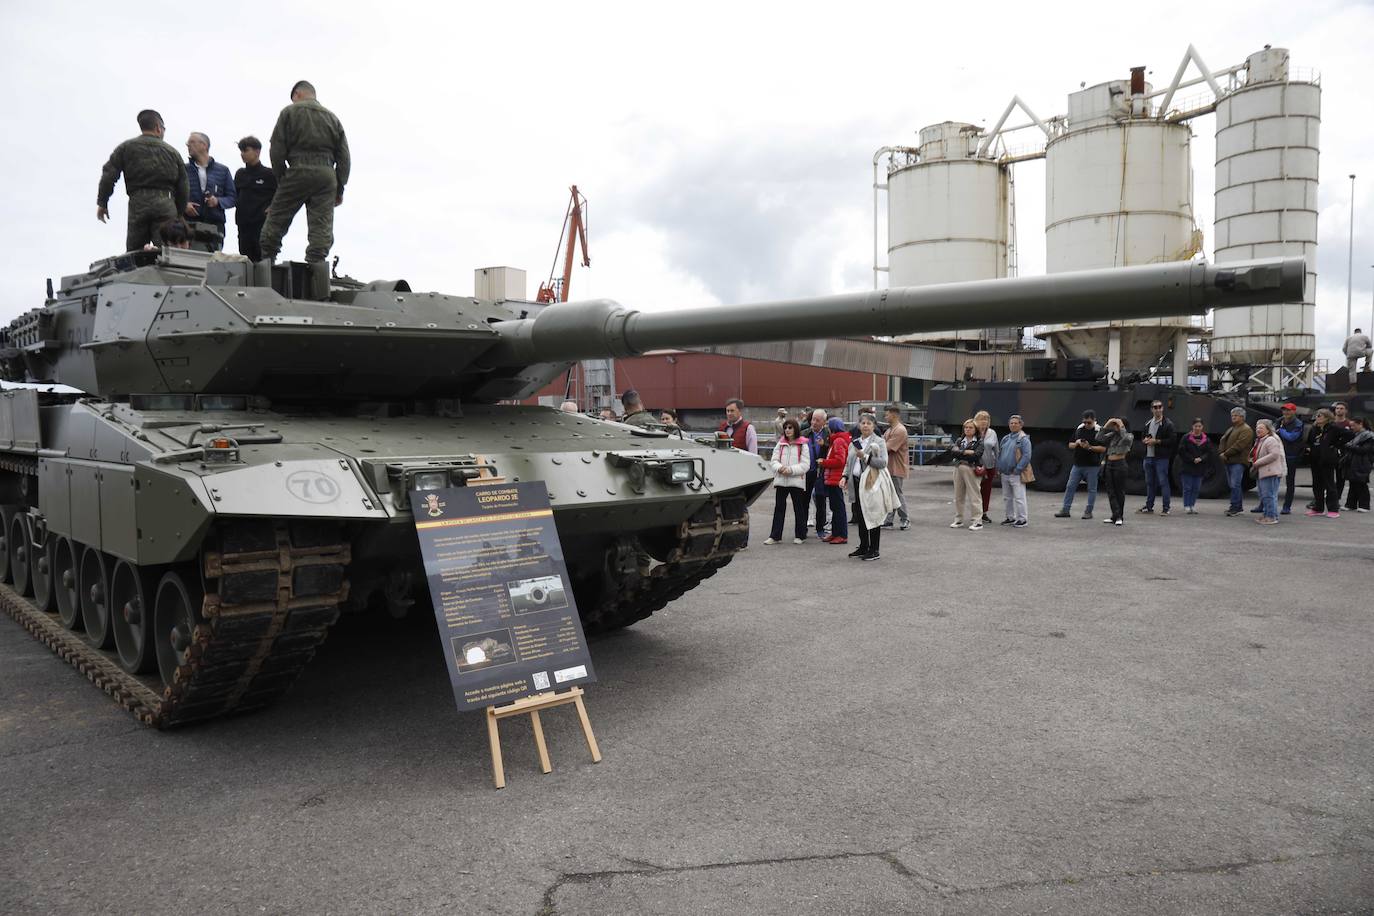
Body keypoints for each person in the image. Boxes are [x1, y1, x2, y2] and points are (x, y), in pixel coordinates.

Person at [259, 80, 351, 267]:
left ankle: (267, 264)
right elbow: (344, 158)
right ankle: (316, 268)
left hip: (297, 170)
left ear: (297, 94)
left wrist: (282, 178)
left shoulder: (289, 112)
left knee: (276, 220)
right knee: (321, 227)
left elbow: (276, 149)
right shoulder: (333, 118)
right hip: (326, 176)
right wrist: (339, 188)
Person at [97, 109, 189, 253]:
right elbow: (183, 186)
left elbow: (109, 175)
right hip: (165, 204)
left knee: (135, 253)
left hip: (138, 204)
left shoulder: (126, 148)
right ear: (158, 128)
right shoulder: (172, 152)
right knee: (167, 251)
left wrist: (103, 202)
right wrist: (180, 212)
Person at [846, 414, 891, 559]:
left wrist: (865, 457)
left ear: (874, 426)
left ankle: (874, 549)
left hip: (871, 484)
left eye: (869, 423)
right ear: (859, 425)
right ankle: (863, 545)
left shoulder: (879, 442)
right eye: (863, 423)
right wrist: (844, 477)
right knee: (860, 515)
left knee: (872, 515)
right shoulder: (854, 442)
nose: (865, 425)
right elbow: (849, 463)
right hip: (856, 482)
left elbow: (883, 463)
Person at [182, 132, 235, 250]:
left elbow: (232, 198)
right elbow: (174, 194)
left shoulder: (223, 170)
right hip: (189, 225)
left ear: (204, 145)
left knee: (212, 263)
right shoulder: (183, 169)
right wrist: (184, 205)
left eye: (191, 142)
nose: (187, 145)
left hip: (215, 225)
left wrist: (218, 201)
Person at [765, 418, 811, 545]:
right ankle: (775, 536)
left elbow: (806, 464)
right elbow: (773, 461)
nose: (787, 430)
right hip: (781, 480)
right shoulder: (780, 444)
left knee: (799, 508)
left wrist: (790, 470)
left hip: (796, 480)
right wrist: (780, 468)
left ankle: (800, 535)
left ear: (795, 429)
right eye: (785, 428)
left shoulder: (803, 445)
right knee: (779, 508)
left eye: (790, 427)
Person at [233, 136, 277, 261]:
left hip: (262, 225)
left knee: (263, 259)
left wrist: (273, 207)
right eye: (241, 151)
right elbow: (234, 195)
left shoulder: (269, 174)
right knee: (245, 260)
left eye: (246, 150)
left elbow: (283, 194)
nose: (242, 154)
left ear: (257, 151)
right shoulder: (240, 174)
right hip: (243, 225)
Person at [1055, 410, 1104, 519]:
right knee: (1070, 486)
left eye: (1089, 422)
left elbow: (1103, 448)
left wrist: (1089, 447)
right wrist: (1077, 443)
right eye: (1085, 422)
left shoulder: (1099, 431)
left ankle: (1088, 511)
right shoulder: (1079, 429)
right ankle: (1065, 509)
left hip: (1092, 465)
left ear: (1094, 421)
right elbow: (1070, 445)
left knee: (1092, 489)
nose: (1086, 424)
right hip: (1078, 464)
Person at [1307, 409, 1352, 517]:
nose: (1317, 417)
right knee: (1317, 484)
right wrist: (1310, 448)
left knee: (1329, 484)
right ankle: (1318, 508)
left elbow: (1349, 435)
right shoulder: (1314, 429)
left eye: (1320, 415)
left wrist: (1336, 444)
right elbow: (1309, 441)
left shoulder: (1333, 428)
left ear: (1327, 417)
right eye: (1316, 415)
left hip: (1327, 459)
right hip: (1315, 459)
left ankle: (1333, 509)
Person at [1137, 399, 1176, 516]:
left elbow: (1172, 440)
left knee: (1163, 482)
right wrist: (1145, 440)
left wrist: (1157, 441)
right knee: (1149, 483)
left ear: (1162, 408)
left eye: (1159, 407)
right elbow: (1143, 436)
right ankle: (1149, 506)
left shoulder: (1168, 424)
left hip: (1161, 458)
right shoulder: (1148, 423)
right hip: (1148, 457)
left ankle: (1166, 508)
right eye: (1155, 407)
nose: (1158, 409)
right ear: (1152, 409)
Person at [817, 417, 851, 544]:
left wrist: (823, 462)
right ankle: (836, 533)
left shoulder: (838, 441)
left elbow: (840, 461)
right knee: (835, 506)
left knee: (838, 507)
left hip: (835, 479)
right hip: (834, 478)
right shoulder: (838, 440)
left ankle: (841, 534)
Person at [1216, 407, 1254, 517]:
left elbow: (1239, 446)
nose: (1233, 417)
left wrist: (1225, 454)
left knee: (1235, 485)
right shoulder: (1232, 428)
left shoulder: (1246, 430)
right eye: (1232, 415)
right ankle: (1238, 507)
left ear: (1242, 417)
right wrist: (1221, 452)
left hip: (1238, 461)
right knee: (1233, 485)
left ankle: (1234, 507)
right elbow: (1223, 441)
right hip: (1229, 461)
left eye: (1235, 415)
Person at [996, 415, 1032, 528]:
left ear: (1021, 425)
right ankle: (1010, 517)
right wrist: (999, 467)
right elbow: (1000, 454)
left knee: (1019, 497)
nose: (1013, 425)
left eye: (1016, 423)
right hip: (1005, 473)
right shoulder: (1006, 438)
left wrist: (1018, 470)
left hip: (1015, 473)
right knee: (1007, 497)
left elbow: (1027, 456)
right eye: (1011, 423)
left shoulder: (1024, 440)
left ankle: (1022, 519)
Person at [1097, 418, 1133, 526]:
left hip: (1120, 464)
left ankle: (1119, 516)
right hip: (1109, 464)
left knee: (1119, 491)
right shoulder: (1112, 435)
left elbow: (1126, 439)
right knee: (1110, 491)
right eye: (1115, 425)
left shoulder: (1128, 435)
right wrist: (1107, 424)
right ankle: (1114, 515)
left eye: (1116, 425)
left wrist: (1121, 424)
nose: (1115, 427)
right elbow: (1099, 438)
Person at [1251, 419, 1287, 525]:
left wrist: (1258, 462)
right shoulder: (1261, 439)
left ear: (1268, 430)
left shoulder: (1271, 440)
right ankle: (1267, 514)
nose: (1258, 430)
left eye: (1261, 428)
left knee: (1269, 495)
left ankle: (1271, 516)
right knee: (1265, 495)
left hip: (1270, 471)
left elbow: (1274, 455)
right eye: (1257, 428)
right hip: (1264, 471)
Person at [950, 420, 983, 530]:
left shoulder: (979, 441)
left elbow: (976, 455)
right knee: (958, 495)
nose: (968, 429)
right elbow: (953, 451)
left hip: (971, 468)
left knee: (974, 495)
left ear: (975, 430)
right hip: (958, 468)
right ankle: (958, 519)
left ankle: (977, 521)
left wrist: (961, 452)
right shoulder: (960, 440)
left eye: (970, 428)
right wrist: (967, 452)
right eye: (966, 427)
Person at [1275, 403, 1306, 515]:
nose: (1286, 412)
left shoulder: (1298, 423)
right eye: (1284, 410)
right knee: (1272, 481)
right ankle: (1264, 504)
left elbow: (1291, 437)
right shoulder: (1279, 420)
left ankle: (1287, 507)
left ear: (1294, 411)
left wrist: (1281, 431)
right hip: (1278, 454)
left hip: (1291, 456)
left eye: (1288, 410)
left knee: (1290, 482)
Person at [882, 405, 910, 530]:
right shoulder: (889, 430)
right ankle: (889, 520)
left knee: (897, 494)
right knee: (889, 494)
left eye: (887, 414)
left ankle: (905, 519)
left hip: (897, 467)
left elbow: (885, 447)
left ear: (894, 415)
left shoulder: (900, 430)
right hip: (889, 467)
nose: (885, 416)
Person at [1177, 418, 1213, 515]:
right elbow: (1181, 451)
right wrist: (1192, 459)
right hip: (1187, 466)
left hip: (1200, 467)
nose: (1197, 428)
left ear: (1202, 427)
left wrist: (1201, 458)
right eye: (1196, 426)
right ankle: (1186, 506)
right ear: (1192, 426)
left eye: (1199, 426)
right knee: (1187, 487)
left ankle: (1192, 505)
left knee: (1196, 488)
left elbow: (1209, 453)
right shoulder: (1186, 438)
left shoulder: (1206, 440)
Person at [805, 409, 829, 538]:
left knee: (821, 500)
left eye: (817, 420)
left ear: (824, 422)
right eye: (813, 419)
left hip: (821, 472)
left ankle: (820, 529)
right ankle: (802, 528)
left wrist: (824, 444)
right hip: (807, 471)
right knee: (804, 500)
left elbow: (832, 449)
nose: (813, 422)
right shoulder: (804, 434)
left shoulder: (828, 434)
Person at [1342, 416, 1373, 512]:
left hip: (1364, 462)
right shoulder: (1357, 435)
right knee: (1353, 483)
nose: (1352, 428)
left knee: (1361, 483)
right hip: (1354, 462)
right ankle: (1351, 504)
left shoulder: (1369, 436)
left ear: (1360, 424)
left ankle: (1364, 505)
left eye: (1354, 425)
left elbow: (1364, 450)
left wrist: (1350, 446)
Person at [974, 410, 998, 524]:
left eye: (986, 419)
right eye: (981, 419)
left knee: (986, 490)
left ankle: (984, 513)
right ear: (976, 421)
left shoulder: (992, 433)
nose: (984, 421)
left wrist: (997, 465)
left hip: (989, 466)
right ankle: (976, 513)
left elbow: (996, 449)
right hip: (976, 466)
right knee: (975, 490)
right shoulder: (973, 431)